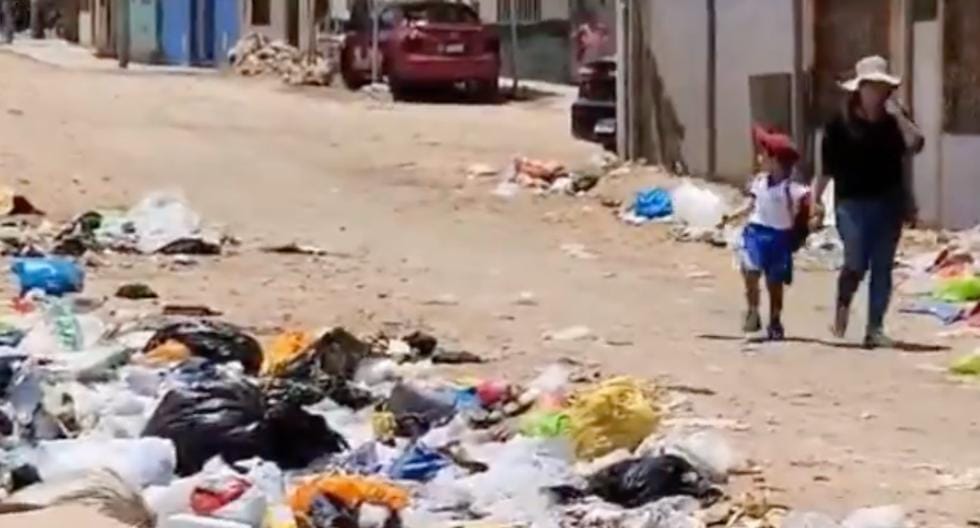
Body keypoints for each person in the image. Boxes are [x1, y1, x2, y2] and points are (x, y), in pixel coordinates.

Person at [812, 55, 924, 349]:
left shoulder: (893, 124)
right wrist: (815, 203)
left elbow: (915, 145)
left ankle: (874, 328)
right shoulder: (839, 125)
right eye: (872, 86)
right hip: (851, 204)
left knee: (883, 266)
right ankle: (843, 302)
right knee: (856, 261)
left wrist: (899, 116)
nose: (878, 93)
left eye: (883, 87)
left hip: (889, 202)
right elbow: (825, 170)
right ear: (859, 89)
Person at [720, 127, 809, 340]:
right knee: (750, 269)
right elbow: (750, 204)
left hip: (779, 238)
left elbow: (808, 204)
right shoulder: (760, 181)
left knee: (774, 283)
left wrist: (808, 222)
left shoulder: (791, 188)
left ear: (775, 160)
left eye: (765, 153)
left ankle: (775, 320)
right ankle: (753, 309)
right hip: (756, 232)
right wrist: (731, 217)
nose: (760, 157)